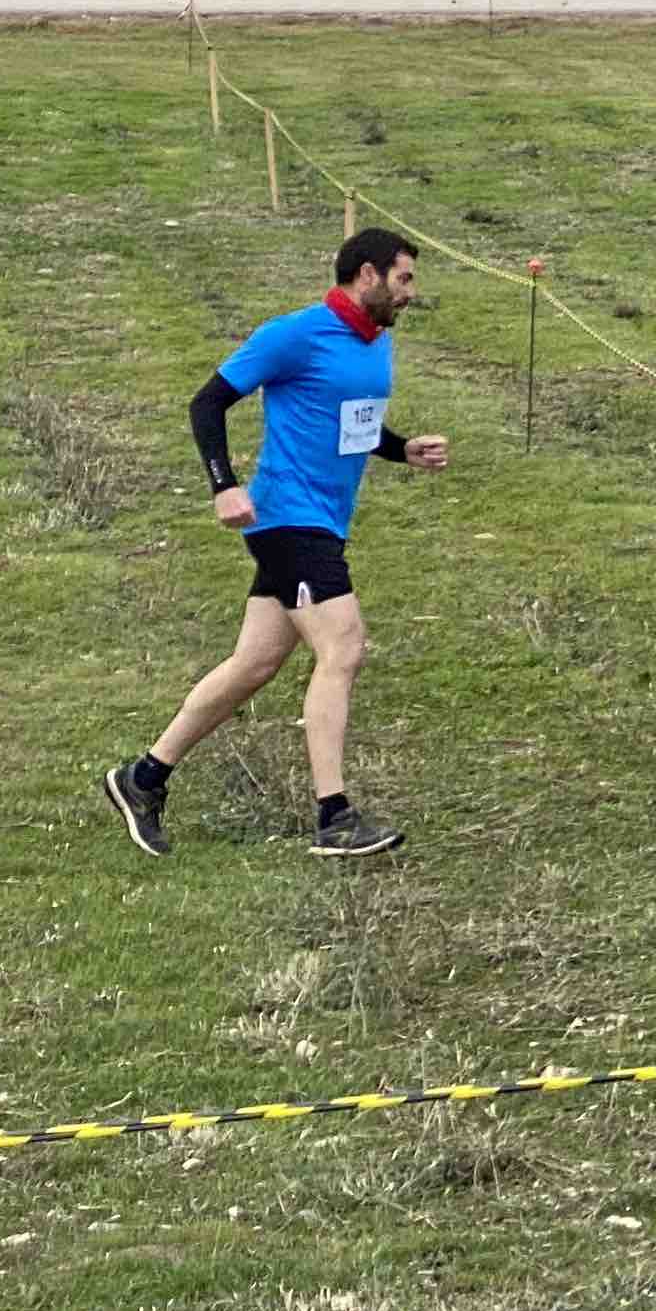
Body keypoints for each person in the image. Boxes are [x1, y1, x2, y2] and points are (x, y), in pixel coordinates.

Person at [105, 228, 449, 858]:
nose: (411, 294)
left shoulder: (377, 345)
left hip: (324, 520)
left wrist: (402, 450)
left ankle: (144, 777)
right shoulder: (294, 334)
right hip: (288, 518)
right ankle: (334, 816)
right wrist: (223, 486)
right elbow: (207, 403)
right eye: (404, 279)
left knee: (255, 664)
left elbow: (352, 424)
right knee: (342, 645)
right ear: (367, 275)